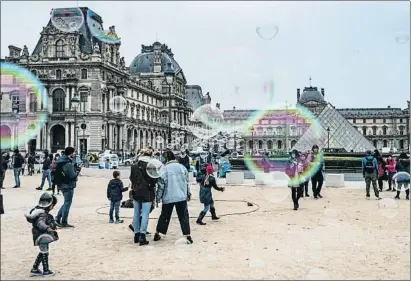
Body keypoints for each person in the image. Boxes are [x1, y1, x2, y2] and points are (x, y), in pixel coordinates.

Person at [154, 150, 193, 244]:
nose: (162, 159)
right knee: (183, 216)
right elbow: (187, 182)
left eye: (163, 157)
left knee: (164, 216)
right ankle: (187, 235)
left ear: (166, 157)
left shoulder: (164, 169)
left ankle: (158, 233)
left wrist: (158, 198)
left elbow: (161, 186)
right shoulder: (182, 167)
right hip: (181, 196)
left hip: (168, 196)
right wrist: (188, 193)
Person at [24, 192, 59, 277]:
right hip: (42, 235)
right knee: (45, 252)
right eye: (53, 205)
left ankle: (35, 269)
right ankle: (46, 271)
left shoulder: (37, 211)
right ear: (50, 205)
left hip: (39, 235)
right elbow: (40, 223)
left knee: (43, 251)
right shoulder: (43, 214)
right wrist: (48, 228)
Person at [129, 147, 157, 245]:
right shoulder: (151, 165)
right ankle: (142, 235)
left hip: (136, 192)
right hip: (147, 192)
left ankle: (136, 235)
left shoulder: (134, 166)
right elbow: (154, 180)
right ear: (150, 155)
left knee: (136, 213)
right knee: (145, 214)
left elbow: (131, 178)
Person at [55, 147, 78, 228]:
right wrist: (78, 170)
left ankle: (57, 219)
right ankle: (64, 221)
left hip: (61, 184)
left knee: (66, 202)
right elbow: (73, 176)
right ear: (70, 153)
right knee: (67, 203)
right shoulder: (67, 163)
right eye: (74, 152)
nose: (75, 154)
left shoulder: (61, 160)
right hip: (68, 185)